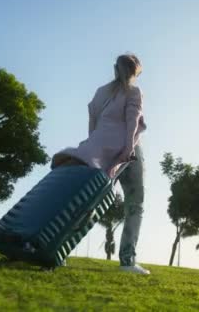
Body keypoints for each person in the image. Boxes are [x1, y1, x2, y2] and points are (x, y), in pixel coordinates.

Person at [53, 54, 149, 275]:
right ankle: (127, 261)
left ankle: (59, 250)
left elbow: (92, 125)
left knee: (89, 202)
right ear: (136, 72)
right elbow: (132, 123)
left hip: (97, 152)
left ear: (115, 69)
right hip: (128, 152)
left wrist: (94, 149)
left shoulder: (100, 92)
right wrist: (128, 149)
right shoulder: (133, 91)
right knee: (135, 204)